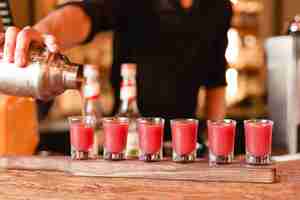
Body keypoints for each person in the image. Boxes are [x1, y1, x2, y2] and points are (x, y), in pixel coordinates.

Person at [2, 0, 232, 152]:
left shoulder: (219, 7)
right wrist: (45, 34)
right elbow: (85, 15)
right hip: (127, 140)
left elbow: (216, 82)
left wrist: (216, 147)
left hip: (184, 144)